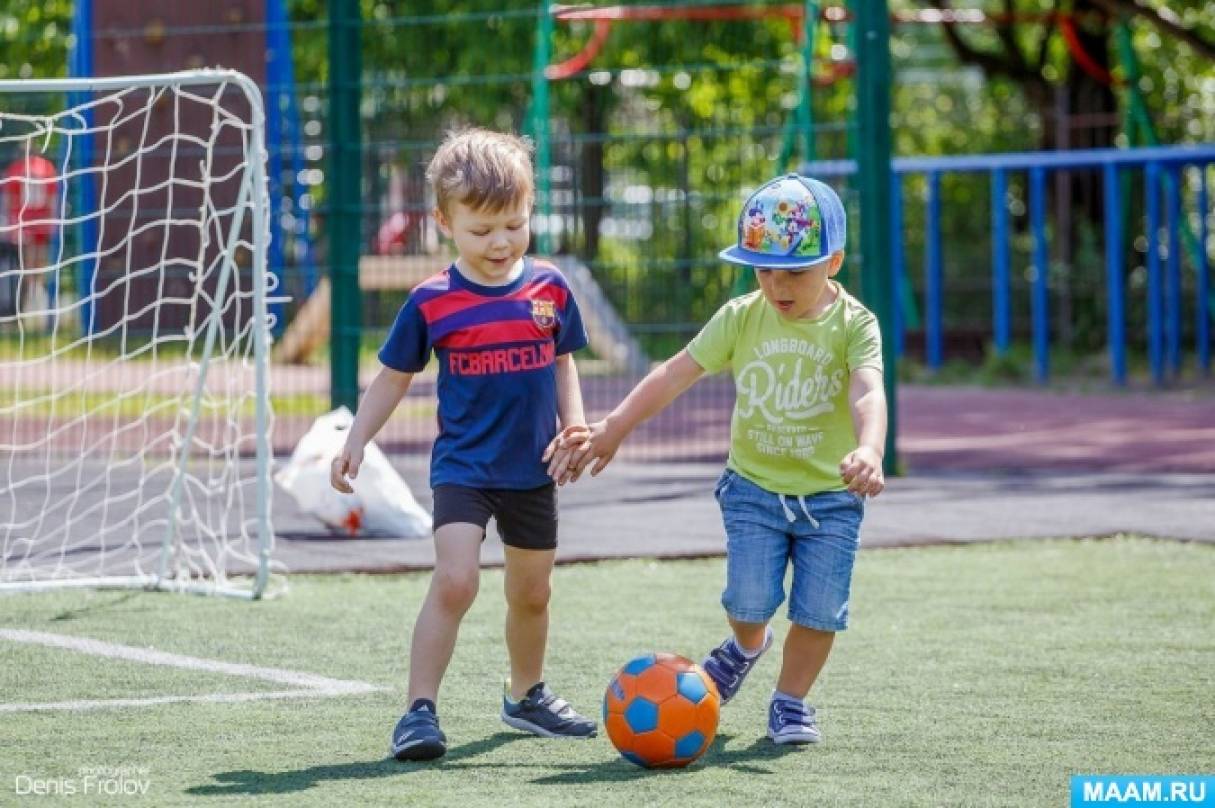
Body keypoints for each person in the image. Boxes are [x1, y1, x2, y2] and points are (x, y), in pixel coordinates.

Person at [547, 173, 887, 746]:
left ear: (834, 262)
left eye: (794, 271)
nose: (777, 285)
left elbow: (868, 391)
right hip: (754, 489)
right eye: (763, 269)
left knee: (819, 612)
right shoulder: (740, 316)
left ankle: (790, 701)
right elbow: (674, 373)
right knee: (749, 601)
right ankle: (747, 645)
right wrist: (615, 426)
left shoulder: (854, 323)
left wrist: (870, 447)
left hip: (832, 498)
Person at [331, 128, 597, 762]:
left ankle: (526, 696)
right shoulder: (431, 302)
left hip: (533, 470)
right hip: (464, 469)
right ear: (445, 222)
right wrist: (356, 439)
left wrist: (576, 424)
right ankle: (418, 712)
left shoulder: (551, 290)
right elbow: (393, 378)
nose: (500, 242)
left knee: (533, 592)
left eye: (514, 224)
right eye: (482, 231)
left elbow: (563, 364)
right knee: (455, 582)